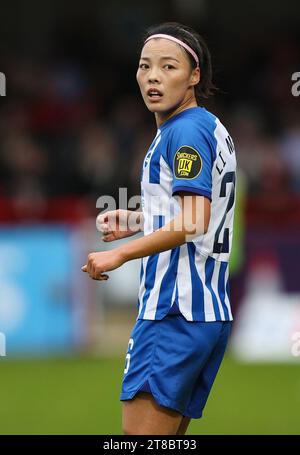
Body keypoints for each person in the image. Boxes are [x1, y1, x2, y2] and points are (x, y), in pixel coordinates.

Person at [82, 21, 237, 435]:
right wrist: (136, 220)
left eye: (168, 67)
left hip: (172, 313)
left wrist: (120, 253)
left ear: (195, 75)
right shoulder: (209, 127)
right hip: (207, 312)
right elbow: (199, 209)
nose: (153, 76)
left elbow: (192, 220)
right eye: (144, 66)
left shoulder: (182, 131)